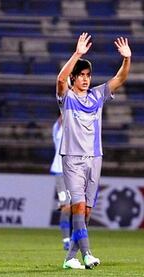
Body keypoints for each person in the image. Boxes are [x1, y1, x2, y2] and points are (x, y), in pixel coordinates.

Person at [57, 33, 131, 270]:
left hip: (94, 159)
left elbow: (120, 78)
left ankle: (70, 257)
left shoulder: (98, 95)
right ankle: (87, 254)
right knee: (77, 206)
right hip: (72, 159)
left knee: (86, 211)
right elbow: (60, 80)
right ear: (75, 78)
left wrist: (127, 60)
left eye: (88, 75)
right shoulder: (66, 98)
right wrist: (77, 54)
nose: (86, 79)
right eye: (81, 75)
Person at [49, 113, 71, 251]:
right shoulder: (58, 128)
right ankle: (66, 240)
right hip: (60, 173)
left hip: (74, 173)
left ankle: (76, 237)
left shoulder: (75, 129)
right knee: (65, 207)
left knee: (78, 207)